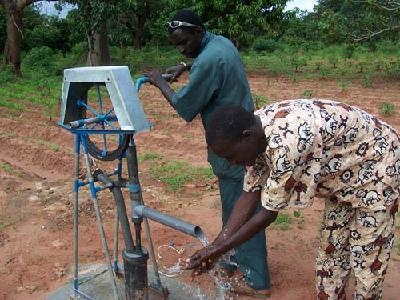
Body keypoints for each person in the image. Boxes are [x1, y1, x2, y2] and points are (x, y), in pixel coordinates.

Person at [185, 99, 399, 300]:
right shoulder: (255, 132)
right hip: (344, 178)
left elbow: (268, 214)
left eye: (231, 155)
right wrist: (214, 247)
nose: (232, 163)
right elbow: (249, 196)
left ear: (247, 136)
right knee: (331, 257)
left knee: (367, 261)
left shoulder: (289, 144)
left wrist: (217, 251)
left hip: (378, 166)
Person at [146, 9, 271, 297]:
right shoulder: (221, 43)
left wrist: (159, 80)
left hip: (234, 147)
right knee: (234, 205)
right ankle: (231, 257)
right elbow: (203, 61)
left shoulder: (207, 61)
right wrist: (184, 65)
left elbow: (184, 107)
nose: (181, 48)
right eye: (177, 45)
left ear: (198, 33)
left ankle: (256, 280)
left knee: (242, 208)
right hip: (241, 134)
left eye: (184, 43)